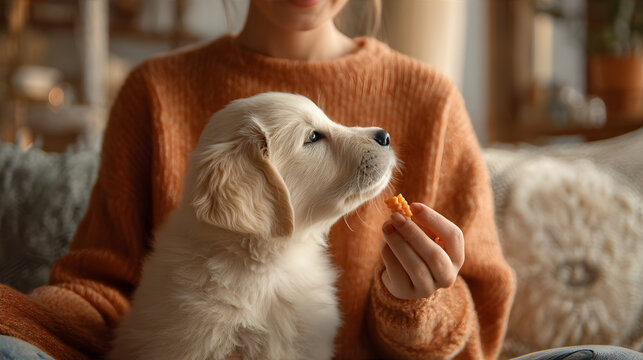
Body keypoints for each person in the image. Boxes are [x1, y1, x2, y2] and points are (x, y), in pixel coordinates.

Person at [1, 1, 641, 359]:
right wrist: (17, 319)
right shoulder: (155, 92)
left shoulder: (431, 100)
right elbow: (106, 291)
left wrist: (416, 302)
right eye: (316, 136)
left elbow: (475, 339)